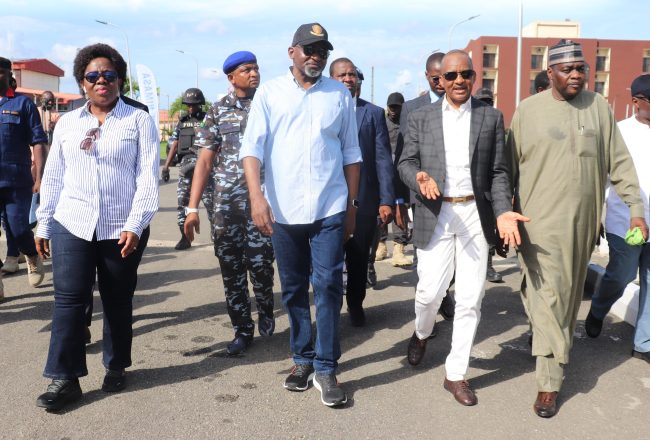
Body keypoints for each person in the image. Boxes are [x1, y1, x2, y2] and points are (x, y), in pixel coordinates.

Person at [507, 40, 647, 418]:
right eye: (567, 69)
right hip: (537, 224)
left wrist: (636, 210)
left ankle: (548, 343)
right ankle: (550, 381)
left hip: (583, 225)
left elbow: (620, 164)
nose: (575, 75)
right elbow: (507, 168)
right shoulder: (528, 111)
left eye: (581, 69)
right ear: (549, 72)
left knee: (564, 298)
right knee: (550, 295)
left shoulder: (598, 108)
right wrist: (503, 214)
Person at [240, 22, 361, 407]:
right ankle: (302, 359)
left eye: (322, 51)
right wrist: (257, 198)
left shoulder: (339, 95)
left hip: (330, 207)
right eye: (310, 49)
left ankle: (326, 366)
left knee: (327, 285)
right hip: (283, 210)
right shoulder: (270, 93)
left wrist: (352, 207)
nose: (316, 57)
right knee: (293, 289)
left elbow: (351, 154)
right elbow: (251, 149)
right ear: (292, 52)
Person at [34, 43, 159, 411]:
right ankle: (64, 378)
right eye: (93, 76)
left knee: (117, 299)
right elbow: (53, 176)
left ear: (119, 80)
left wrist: (136, 223)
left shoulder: (138, 120)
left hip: (122, 227)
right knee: (69, 300)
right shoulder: (68, 123)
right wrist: (44, 223)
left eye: (108, 75)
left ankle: (116, 365)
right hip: (72, 222)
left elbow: (148, 178)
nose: (101, 81)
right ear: (82, 83)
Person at [398, 50, 525, 407]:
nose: (458, 81)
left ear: (473, 77)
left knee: (470, 299)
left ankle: (456, 374)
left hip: (473, 214)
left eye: (465, 74)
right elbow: (405, 162)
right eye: (451, 76)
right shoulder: (421, 117)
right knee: (429, 293)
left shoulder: (490, 117)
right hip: (434, 213)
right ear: (440, 80)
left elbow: (498, 172)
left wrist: (503, 211)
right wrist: (417, 177)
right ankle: (422, 332)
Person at [185, 51, 275, 355]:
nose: (254, 73)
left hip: (262, 201)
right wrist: (192, 208)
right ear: (231, 77)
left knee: (261, 265)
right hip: (226, 206)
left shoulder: (270, 104)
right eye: (247, 69)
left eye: (256, 68)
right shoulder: (217, 111)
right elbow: (204, 161)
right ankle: (242, 330)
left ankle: (265, 307)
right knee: (231, 268)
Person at [585, 74, 650, 364]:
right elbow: (600, 178)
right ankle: (598, 309)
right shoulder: (619, 133)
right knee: (622, 275)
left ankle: (643, 343)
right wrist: (595, 215)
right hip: (624, 221)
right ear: (636, 101)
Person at [330, 57, 394, 326]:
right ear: (331, 79)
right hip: (328, 201)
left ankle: (355, 304)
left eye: (352, 75)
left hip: (364, 201)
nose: (348, 79)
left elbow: (383, 158)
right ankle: (330, 309)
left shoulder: (373, 113)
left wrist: (387, 200)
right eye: (342, 75)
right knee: (328, 261)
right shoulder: (322, 110)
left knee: (358, 258)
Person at [0, 56, 47, 300]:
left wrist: (40, 177)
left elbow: (38, 141)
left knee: (19, 228)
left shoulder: (23, 104)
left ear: (9, 75)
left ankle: (31, 255)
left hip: (16, 180)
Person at [162, 88, 214, 250]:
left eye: (194, 105)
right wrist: (166, 166)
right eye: (189, 105)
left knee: (212, 204)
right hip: (186, 168)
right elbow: (175, 143)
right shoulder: (182, 122)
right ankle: (185, 237)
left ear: (200, 104)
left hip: (205, 169)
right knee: (182, 203)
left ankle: (217, 236)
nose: (191, 107)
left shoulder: (208, 119)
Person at [368, 91, 405, 286]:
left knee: (400, 212)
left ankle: (399, 247)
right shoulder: (382, 121)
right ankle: (380, 246)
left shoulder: (407, 124)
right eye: (391, 107)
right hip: (382, 174)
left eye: (397, 107)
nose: (394, 111)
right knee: (380, 216)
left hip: (401, 173)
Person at [473, 87, 503, 283]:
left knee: (488, 230)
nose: (486, 105)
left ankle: (488, 266)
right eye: (482, 101)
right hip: (470, 190)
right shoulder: (470, 123)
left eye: (489, 101)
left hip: (489, 191)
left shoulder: (496, 121)